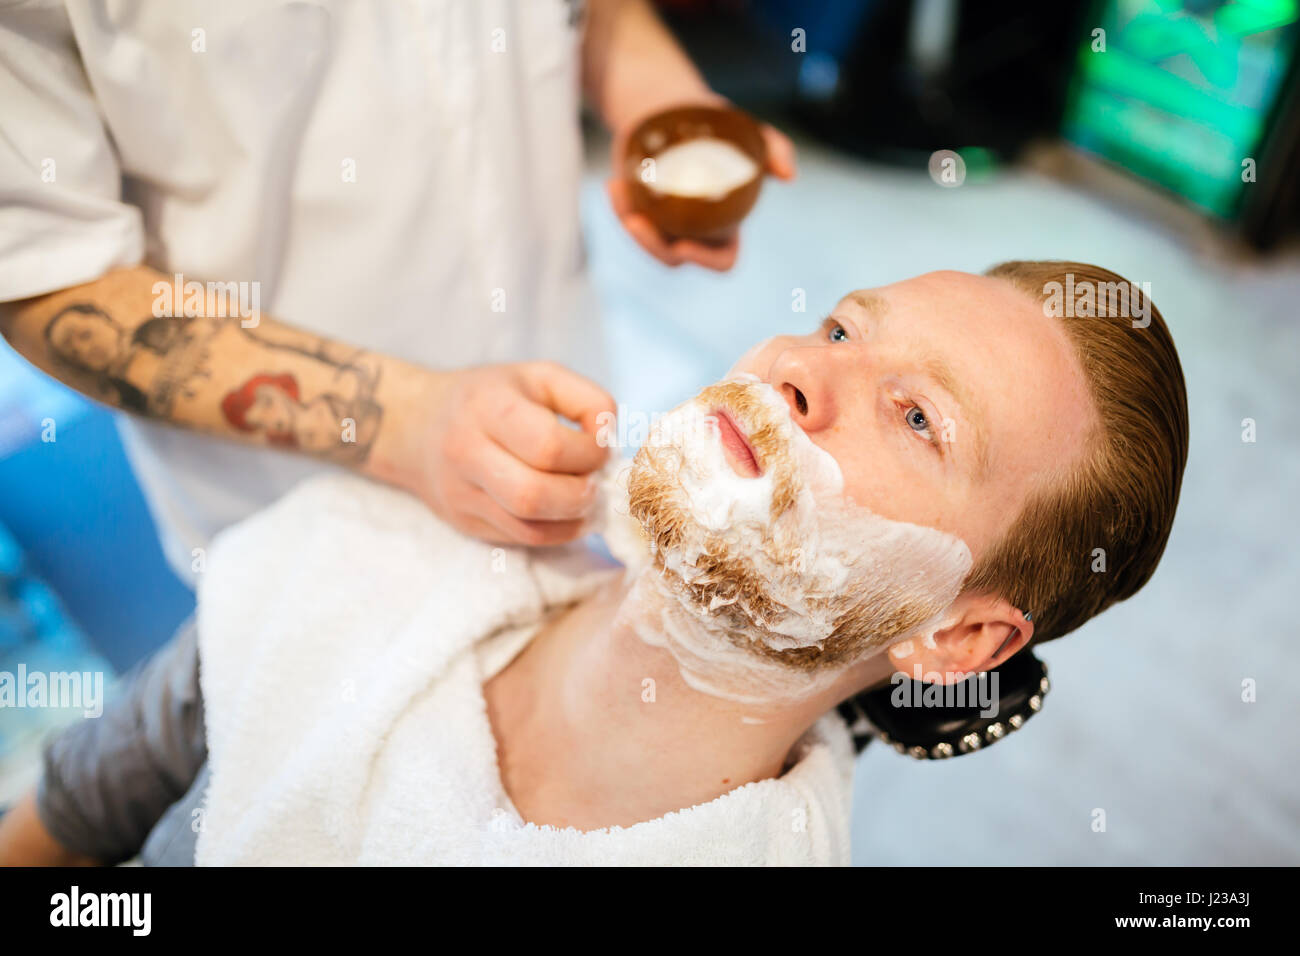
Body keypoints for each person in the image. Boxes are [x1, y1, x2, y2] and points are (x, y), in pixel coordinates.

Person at [0, 261, 1189, 865]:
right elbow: (74, 811)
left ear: (960, 638)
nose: (800, 370)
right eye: (839, 327)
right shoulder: (356, 558)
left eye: (917, 416)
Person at [0, 0, 797, 568]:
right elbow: (48, 272)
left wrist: (657, 102)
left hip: (557, 379)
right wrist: (411, 420)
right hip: (296, 507)